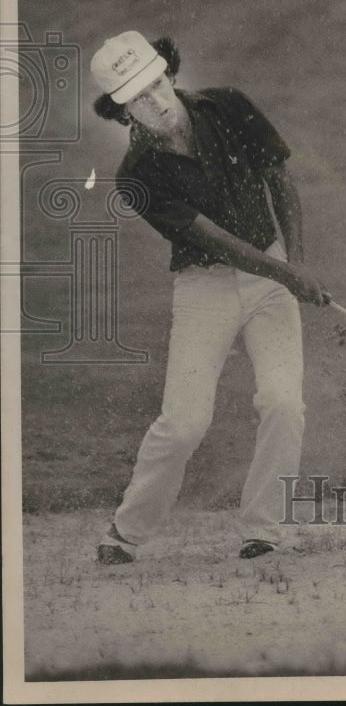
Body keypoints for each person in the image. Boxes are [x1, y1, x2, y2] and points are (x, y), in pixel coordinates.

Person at [90, 30, 326, 563]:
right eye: (136, 99)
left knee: (284, 403)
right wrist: (286, 273)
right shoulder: (137, 178)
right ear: (122, 111)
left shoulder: (228, 105)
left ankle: (262, 527)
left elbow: (279, 179)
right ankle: (126, 533)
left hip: (273, 269)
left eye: (155, 85)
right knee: (184, 422)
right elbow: (215, 240)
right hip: (205, 287)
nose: (153, 103)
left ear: (169, 74)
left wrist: (297, 261)